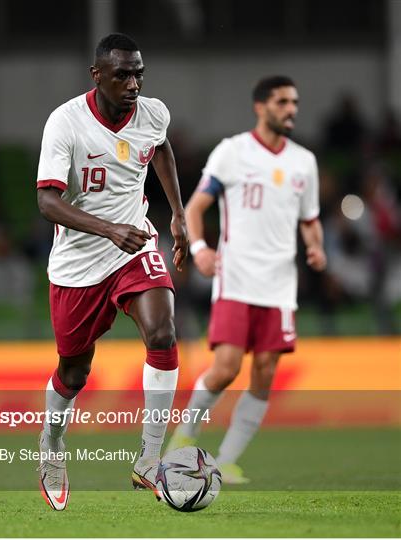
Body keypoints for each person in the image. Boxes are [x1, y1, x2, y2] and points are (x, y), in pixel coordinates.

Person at [36, 33, 187, 510]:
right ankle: (52, 445)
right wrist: (107, 229)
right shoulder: (66, 122)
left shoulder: (153, 112)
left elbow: (159, 148)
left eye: (139, 73)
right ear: (97, 75)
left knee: (162, 334)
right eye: (122, 74)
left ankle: (148, 460)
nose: (133, 83)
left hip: (133, 247)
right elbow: (46, 201)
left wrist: (178, 214)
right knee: (74, 371)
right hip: (78, 263)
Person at [167, 76, 326, 483]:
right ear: (261, 107)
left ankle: (227, 460)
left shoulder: (303, 162)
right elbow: (196, 206)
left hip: (279, 285)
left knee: (267, 369)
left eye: (295, 102)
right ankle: (184, 437)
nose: (291, 109)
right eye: (282, 102)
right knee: (226, 367)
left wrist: (315, 246)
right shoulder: (232, 152)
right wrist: (200, 249)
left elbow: (310, 220)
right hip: (236, 277)